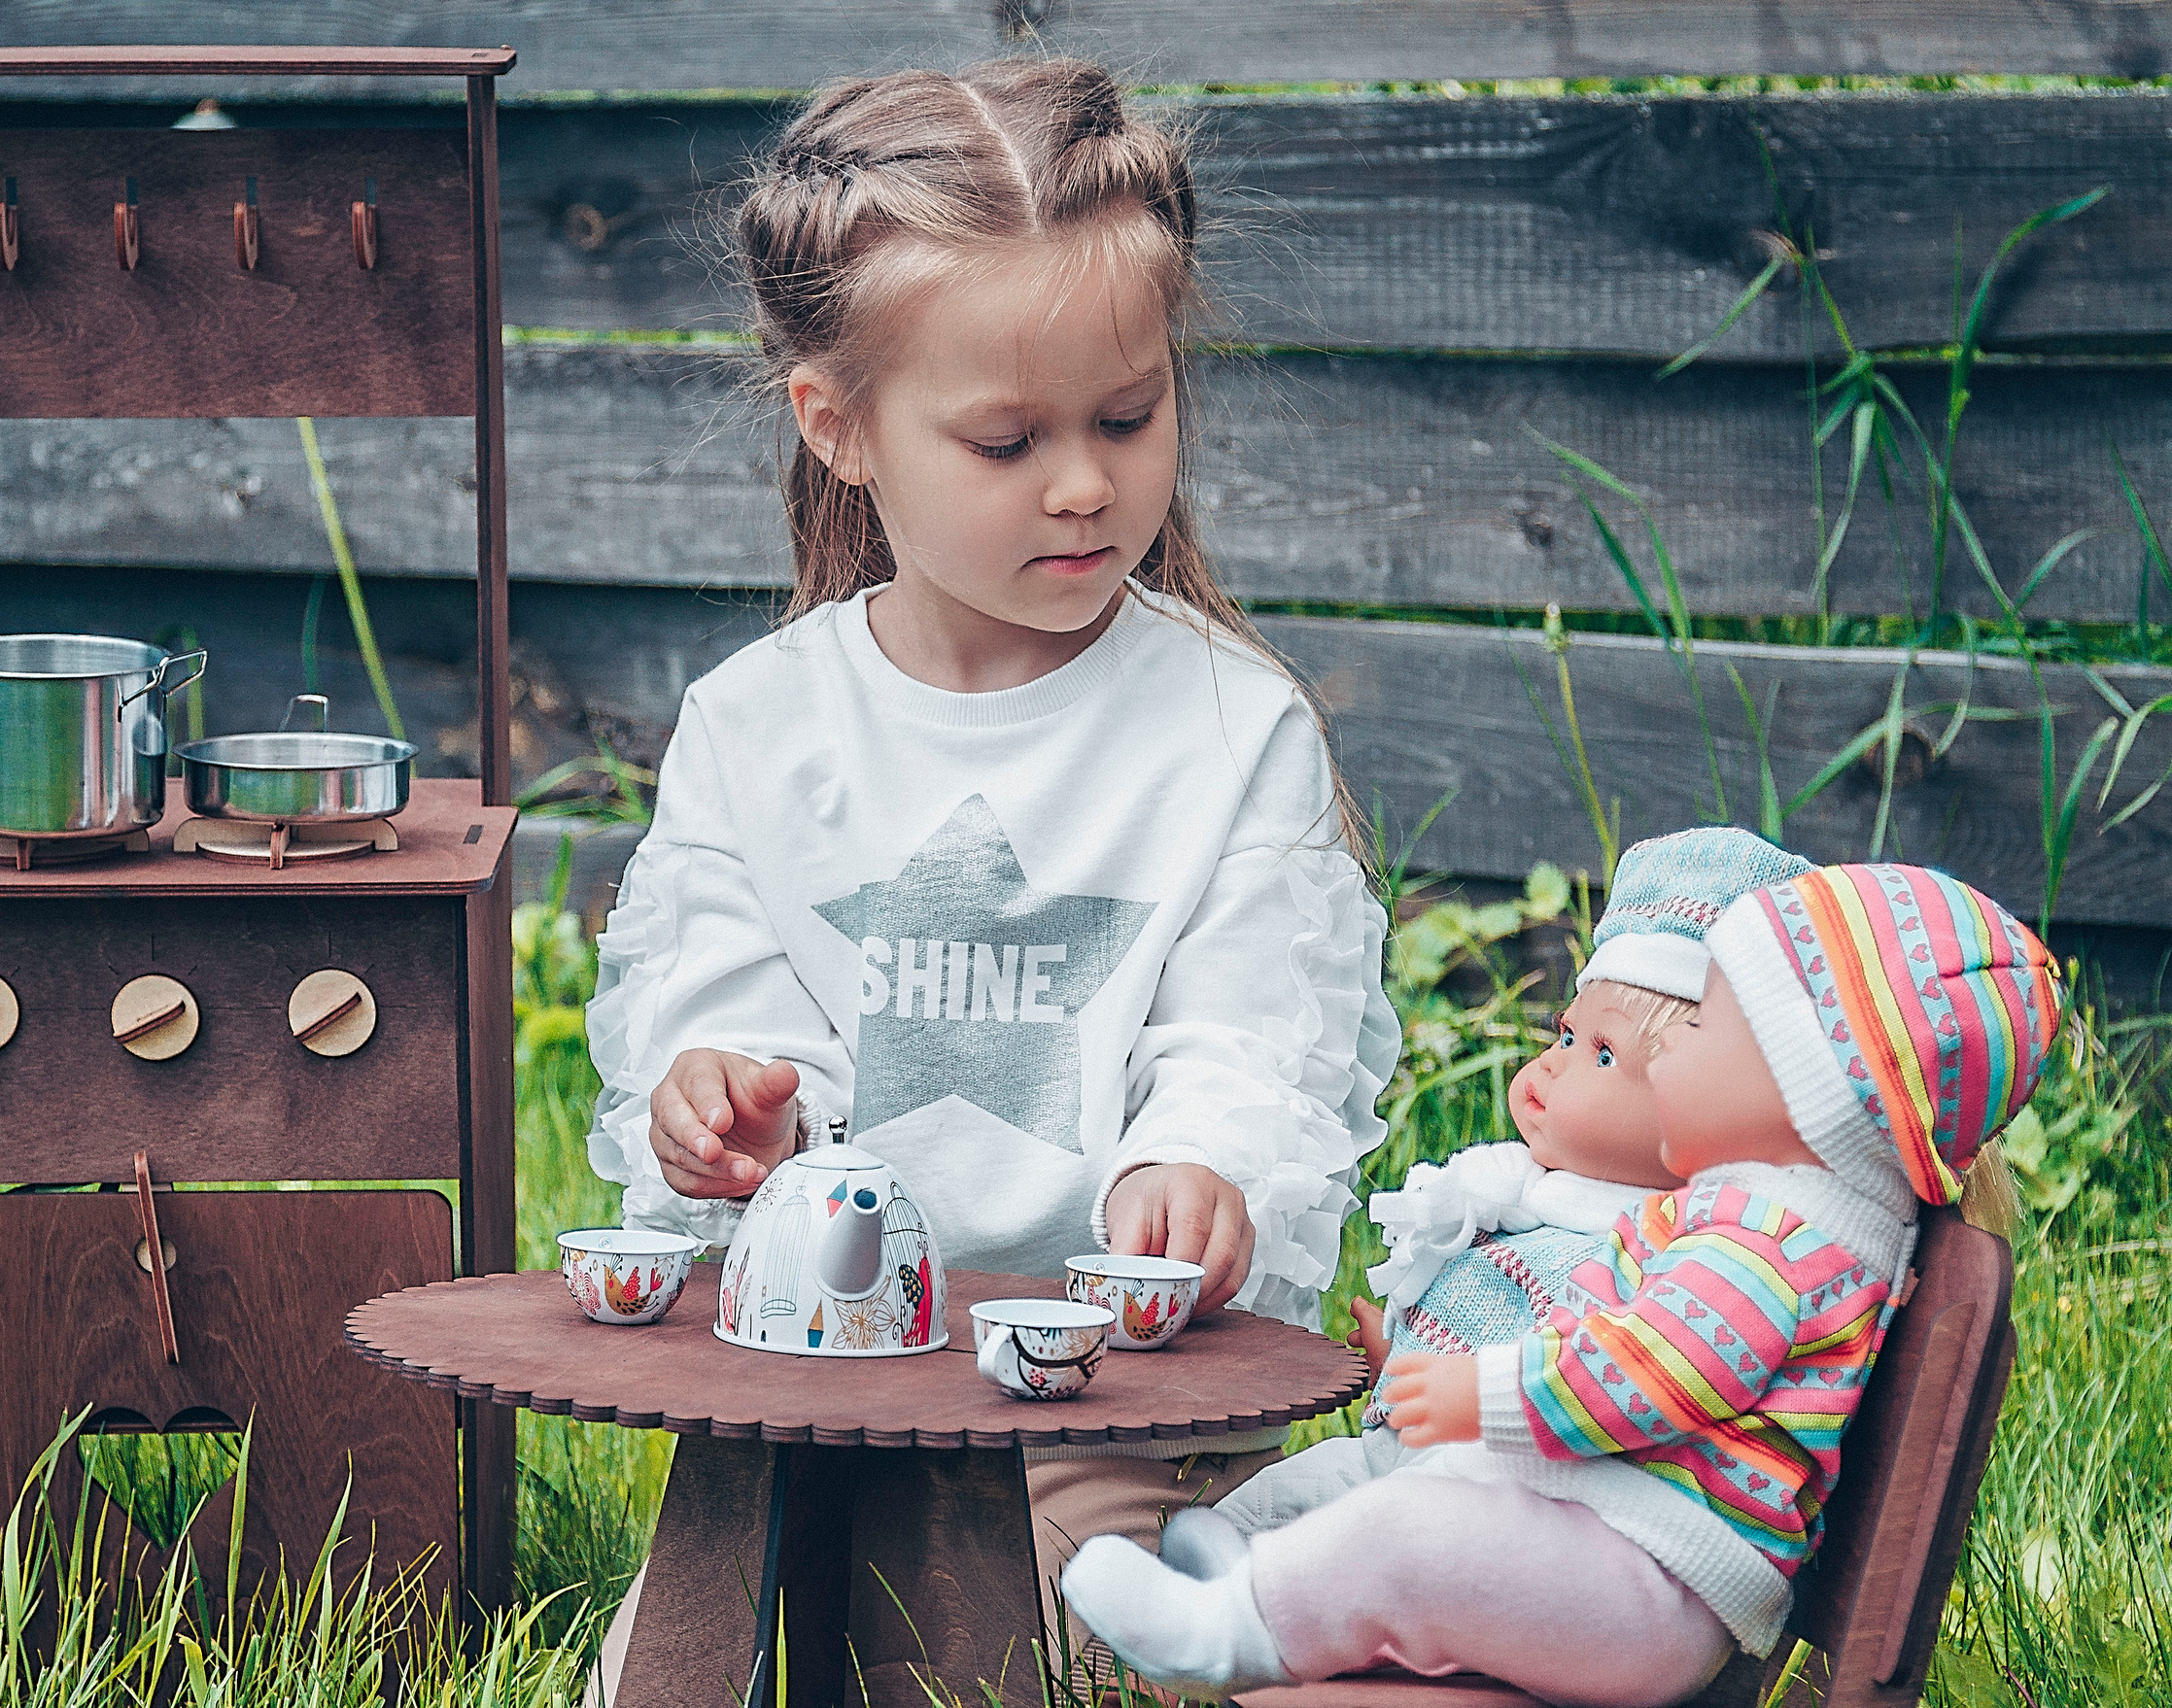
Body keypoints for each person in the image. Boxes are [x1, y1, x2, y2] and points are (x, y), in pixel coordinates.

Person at [579, 57, 1403, 1695]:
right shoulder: (761, 726)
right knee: (706, 1666)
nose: (1088, 482)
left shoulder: (1227, 725)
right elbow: (723, 986)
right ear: (844, 427)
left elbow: (1252, 1026)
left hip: (1106, 1406)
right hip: (830, 1388)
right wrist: (724, 1096)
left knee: (1105, 1656)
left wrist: (1200, 1159)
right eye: (1010, 437)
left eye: (1129, 414)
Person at [1062, 864, 2061, 1707]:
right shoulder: (1768, 1219)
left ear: (1802, 1088)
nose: (1675, 1060)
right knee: (1425, 1508)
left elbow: (1654, 1372)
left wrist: (1477, 1397)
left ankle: (1225, 1629)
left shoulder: (1761, 1243)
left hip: (1647, 1590)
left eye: (1705, 1030)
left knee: (1421, 1528)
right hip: (1626, 1563)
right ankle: (1271, 1589)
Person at [1218, 828, 1817, 1535]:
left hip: (1500, 1501)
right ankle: (1211, 1584)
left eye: (1601, 1054)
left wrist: (1456, 1393)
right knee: (1250, 1510)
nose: (1554, 1063)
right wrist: (1407, 1359)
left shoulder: (1643, 1263)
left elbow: (1588, 1387)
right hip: (1407, 1460)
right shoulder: (1533, 1206)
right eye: (1564, 1035)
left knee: (1325, 1533)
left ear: (1701, 1104)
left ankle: (1250, 1604)